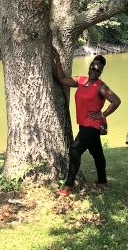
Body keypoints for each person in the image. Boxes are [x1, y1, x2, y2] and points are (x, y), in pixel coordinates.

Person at [52, 47, 121, 195]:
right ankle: (102, 182)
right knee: (97, 154)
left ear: (101, 72)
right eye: (93, 68)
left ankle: (68, 187)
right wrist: (57, 61)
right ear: (90, 67)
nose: (95, 71)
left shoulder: (101, 86)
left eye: (98, 70)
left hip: (93, 125)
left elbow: (116, 101)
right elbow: (62, 79)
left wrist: (102, 114)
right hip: (84, 125)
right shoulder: (81, 81)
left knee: (75, 150)